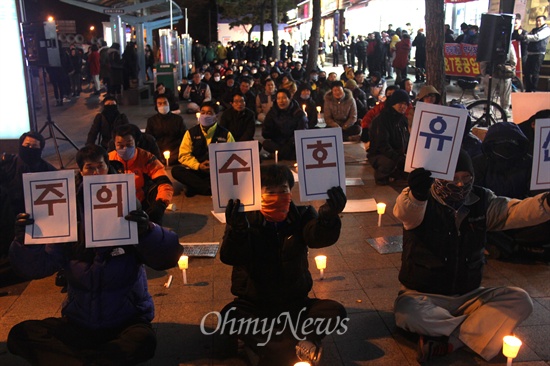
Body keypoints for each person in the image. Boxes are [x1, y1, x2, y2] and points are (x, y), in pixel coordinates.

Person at [7, 144, 183, 366]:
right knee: (21, 334)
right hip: (79, 322)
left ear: (107, 167)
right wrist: (25, 242)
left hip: (126, 321)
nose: (96, 173)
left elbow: (168, 256)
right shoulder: (66, 215)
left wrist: (148, 230)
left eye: (100, 166)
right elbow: (36, 267)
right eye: (89, 168)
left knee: (143, 341)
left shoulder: (128, 204)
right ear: (81, 171)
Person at [393, 150, 550, 363]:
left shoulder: (483, 200)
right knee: (408, 312)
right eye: (453, 178)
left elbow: (516, 211)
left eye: (466, 178)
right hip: (423, 295)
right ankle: (481, 330)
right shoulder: (419, 198)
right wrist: (417, 196)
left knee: (520, 300)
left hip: (471, 295)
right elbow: (405, 213)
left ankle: (452, 340)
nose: (460, 185)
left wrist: (546, 203)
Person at [220, 164, 348, 366]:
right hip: (255, 304)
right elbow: (230, 256)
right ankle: (300, 346)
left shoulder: (302, 214)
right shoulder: (245, 219)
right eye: (270, 192)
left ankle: (271, 349)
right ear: (257, 193)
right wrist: (237, 230)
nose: (278, 196)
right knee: (230, 317)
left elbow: (316, 237)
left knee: (335, 311)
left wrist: (328, 219)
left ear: (291, 191)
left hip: (294, 303)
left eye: (283, 190)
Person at [0, 132, 57, 263]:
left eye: (34, 147)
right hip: (8, 216)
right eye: (27, 145)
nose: (30, 149)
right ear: (20, 146)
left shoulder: (48, 170)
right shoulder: (6, 165)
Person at [108, 125, 173, 225]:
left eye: (129, 144)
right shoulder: (108, 160)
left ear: (136, 142)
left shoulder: (147, 158)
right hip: (116, 204)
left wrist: (160, 204)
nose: (124, 148)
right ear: (114, 144)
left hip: (142, 202)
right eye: (120, 145)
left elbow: (164, 182)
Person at [171, 102, 235, 197]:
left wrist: (215, 165)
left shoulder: (226, 134)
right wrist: (198, 166)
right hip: (197, 170)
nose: (205, 115)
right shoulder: (190, 133)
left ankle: (195, 187)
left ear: (216, 116)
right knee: (176, 171)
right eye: (203, 112)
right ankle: (208, 189)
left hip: (218, 171)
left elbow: (233, 155)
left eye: (209, 113)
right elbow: (183, 155)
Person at [367, 89, 410, 185]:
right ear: (393, 103)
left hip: (398, 153)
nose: (403, 107)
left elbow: (407, 139)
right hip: (380, 154)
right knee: (389, 163)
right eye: (400, 103)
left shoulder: (403, 119)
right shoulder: (382, 119)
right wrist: (397, 158)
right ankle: (382, 176)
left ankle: (395, 175)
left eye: (405, 104)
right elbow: (382, 145)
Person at [262, 89, 308, 160]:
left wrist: (290, 143)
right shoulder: (272, 112)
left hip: (292, 143)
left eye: (284, 98)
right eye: (278, 98)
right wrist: (267, 129)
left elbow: (302, 132)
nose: (281, 101)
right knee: (266, 144)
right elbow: (265, 134)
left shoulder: (298, 113)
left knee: (299, 147)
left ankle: (279, 155)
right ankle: (287, 156)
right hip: (278, 142)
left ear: (289, 99)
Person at [145, 95, 187, 165]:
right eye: (159, 103)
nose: (162, 105)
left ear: (169, 103)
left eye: (165, 103)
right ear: (156, 105)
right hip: (158, 150)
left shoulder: (178, 119)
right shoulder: (151, 120)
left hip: (175, 150)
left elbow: (184, 137)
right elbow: (149, 139)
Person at [521, 15, 550, 92]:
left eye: (540, 21)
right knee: (526, 72)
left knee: (535, 72)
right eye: (537, 21)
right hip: (530, 53)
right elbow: (528, 37)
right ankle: (528, 88)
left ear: (544, 21)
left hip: (539, 53)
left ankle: (533, 89)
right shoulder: (534, 29)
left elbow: (537, 37)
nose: (538, 22)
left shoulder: (547, 30)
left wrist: (526, 36)